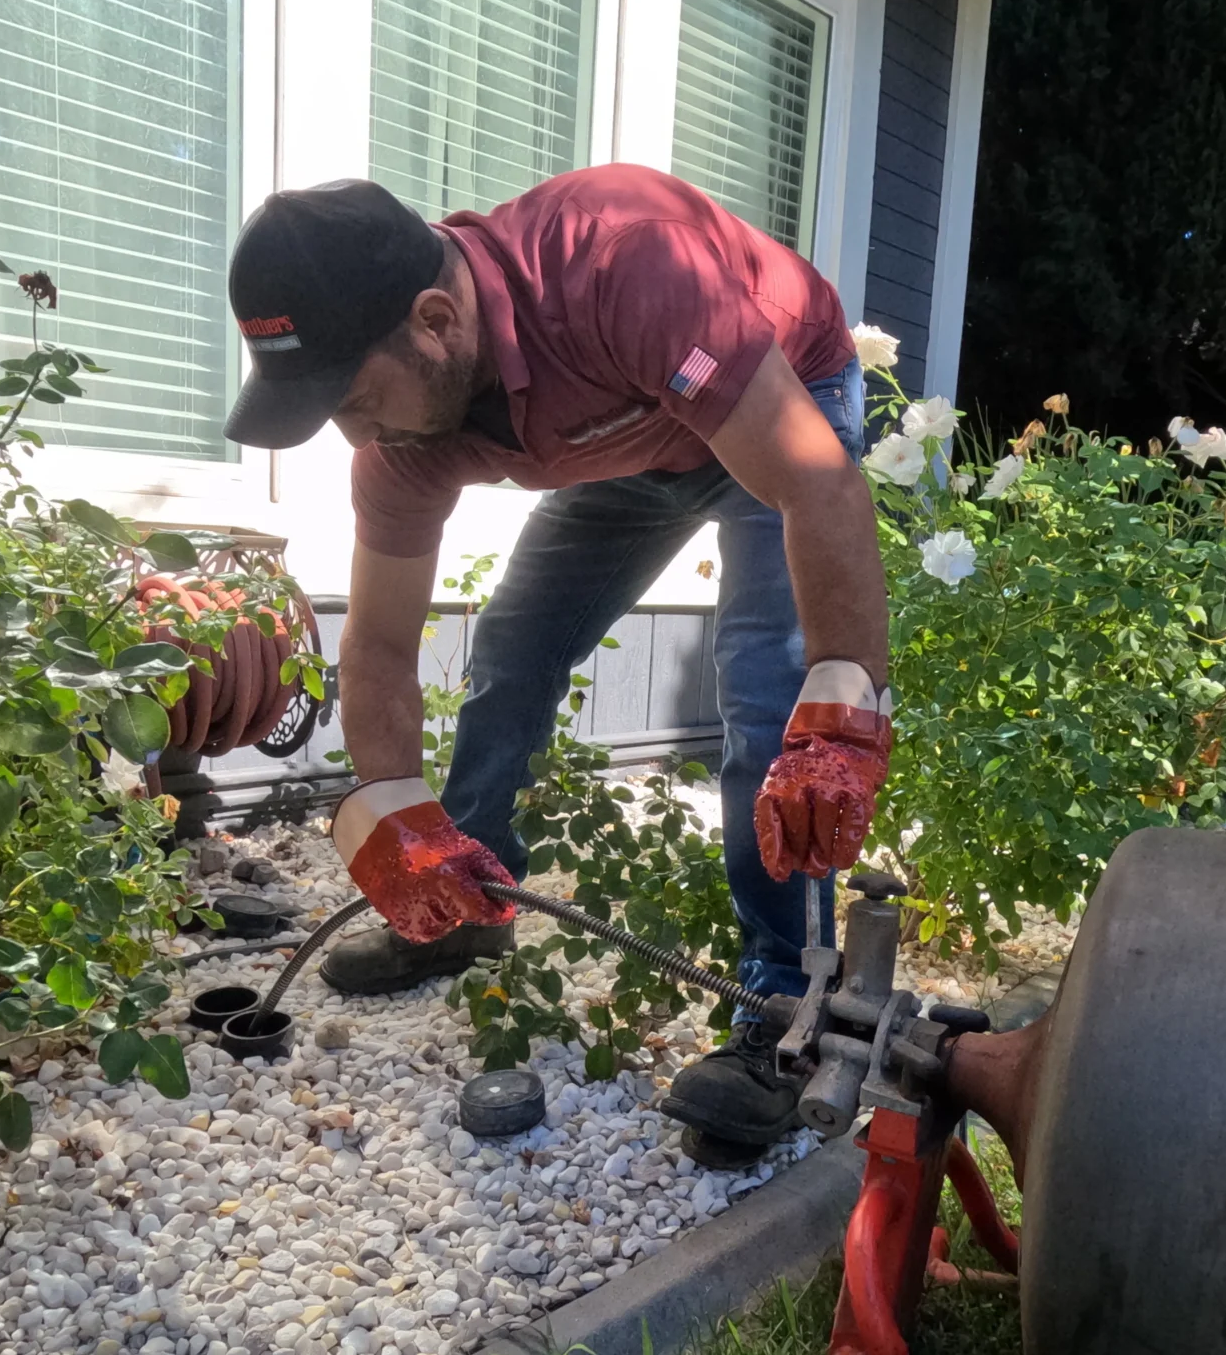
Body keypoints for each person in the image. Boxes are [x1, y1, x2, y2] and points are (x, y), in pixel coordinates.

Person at [222, 166, 892, 1161]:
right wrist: (394, 807)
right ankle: (465, 902)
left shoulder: (625, 264)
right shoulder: (402, 441)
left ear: (436, 319)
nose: (355, 435)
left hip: (776, 393)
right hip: (629, 446)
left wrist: (844, 697)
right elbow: (377, 645)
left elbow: (815, 482)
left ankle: (788, 1011)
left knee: (762, 688)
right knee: (513, 650)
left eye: (356, 399)